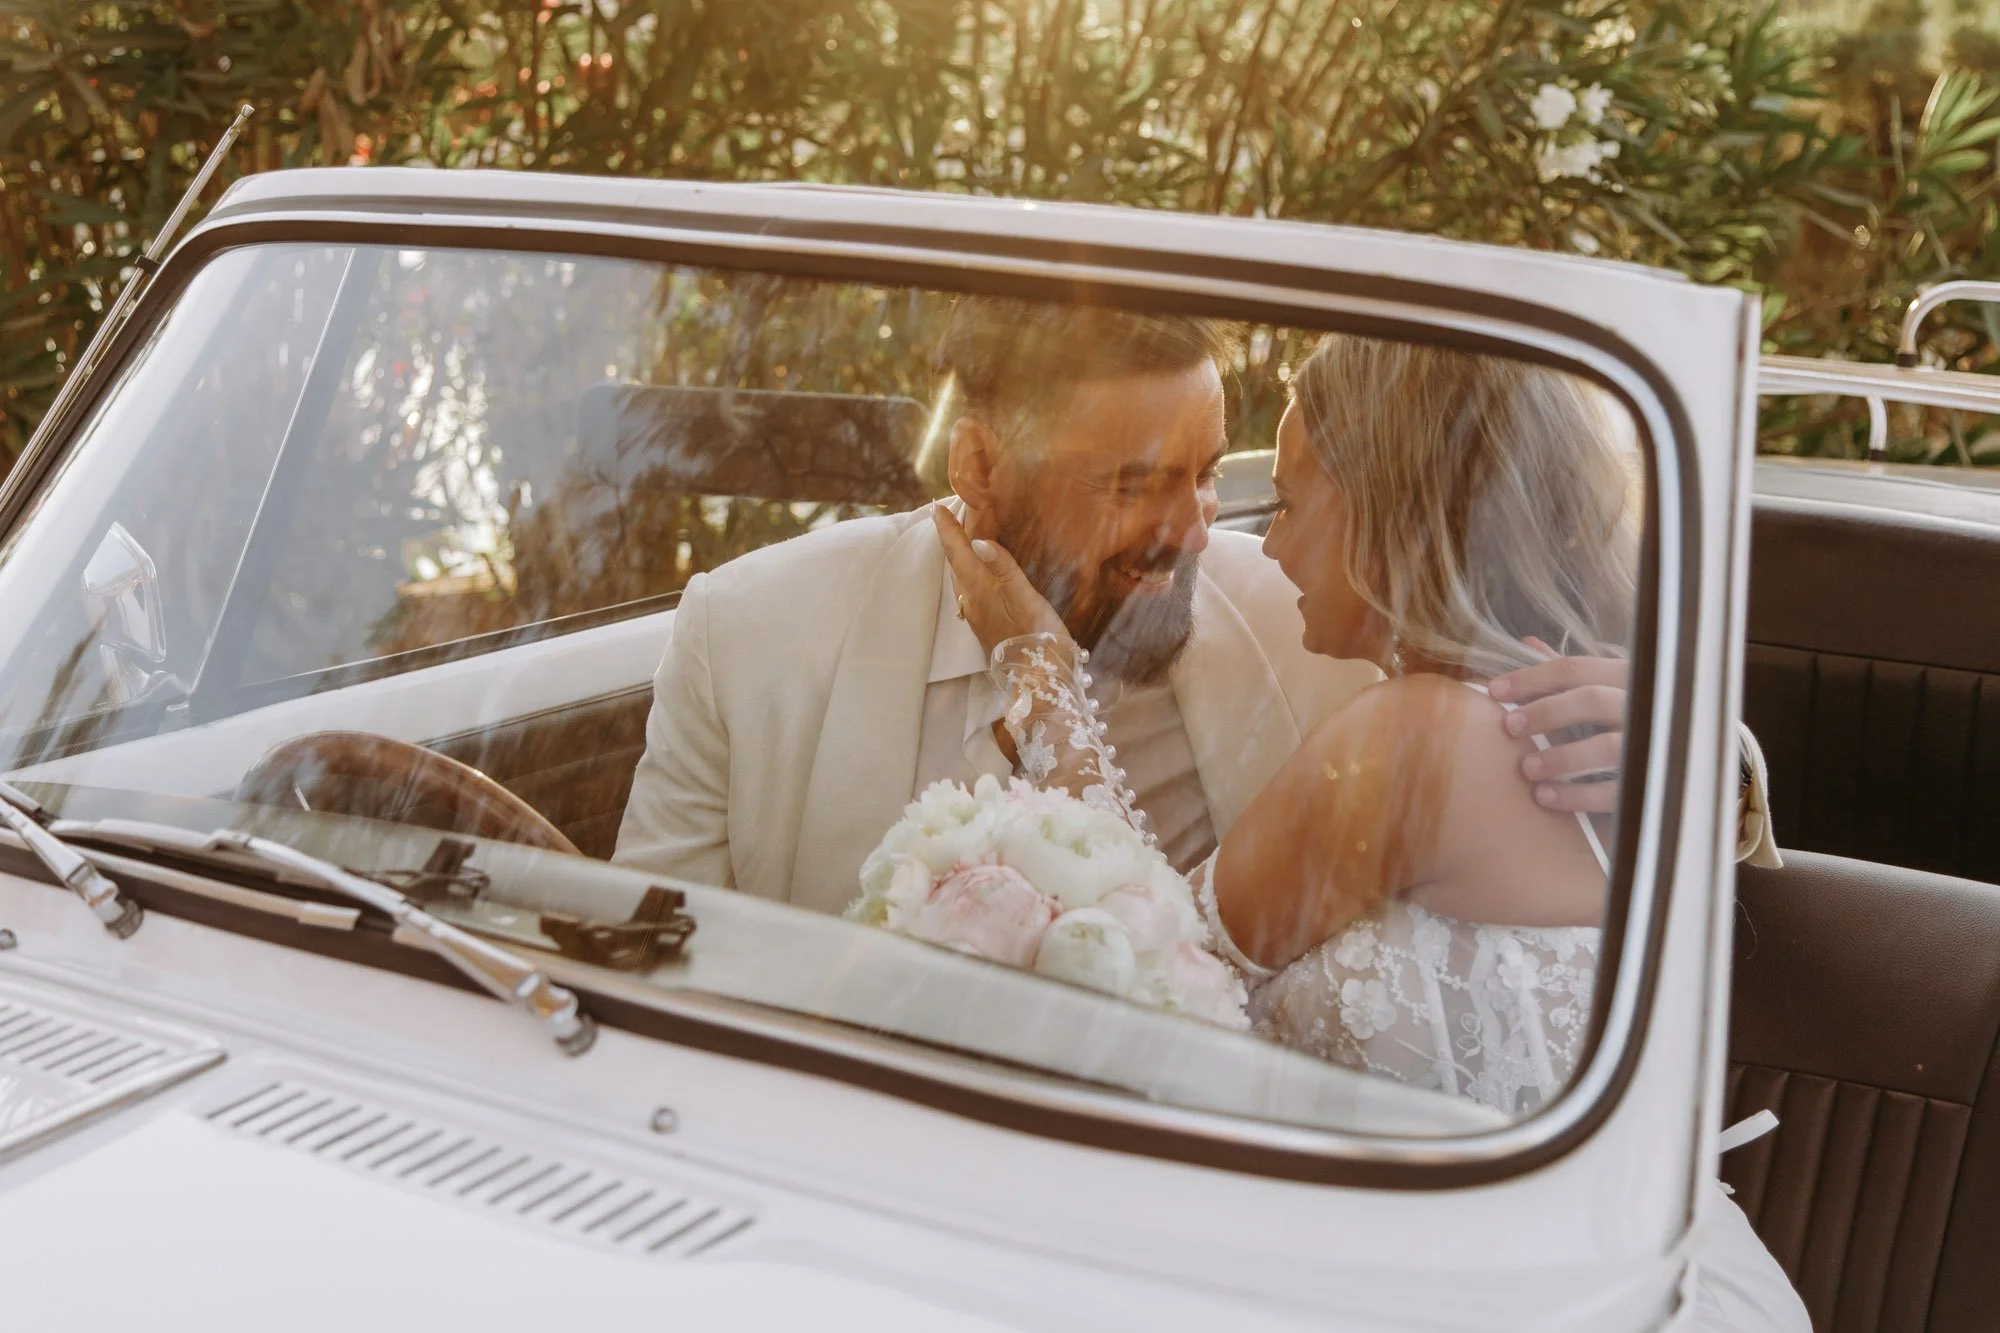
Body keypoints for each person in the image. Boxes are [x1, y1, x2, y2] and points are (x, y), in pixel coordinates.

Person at [938, 331, 1807, 1332]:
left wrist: (1039, 673)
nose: (1264, 543)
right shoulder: (1594, 718)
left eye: (1293, 501)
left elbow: (1148, 983)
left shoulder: (1417, 744)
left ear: (1392, 512)